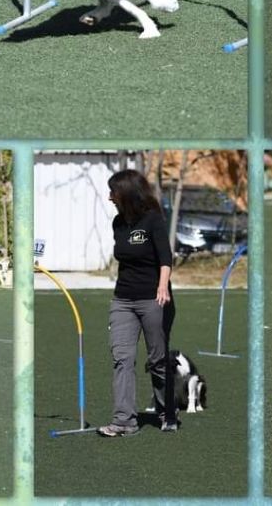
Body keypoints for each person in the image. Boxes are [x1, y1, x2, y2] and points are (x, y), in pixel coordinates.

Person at [98, 169, 176, 437]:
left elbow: (165, 258)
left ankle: (167, 412)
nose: (110, 198)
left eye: (113, 192)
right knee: (122, 358)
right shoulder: (118, 223)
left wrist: (162, 286)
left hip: (154, 298)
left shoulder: (153, 220)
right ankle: (124, 421)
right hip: (123, 300)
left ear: (127, 194)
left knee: (157, 361)